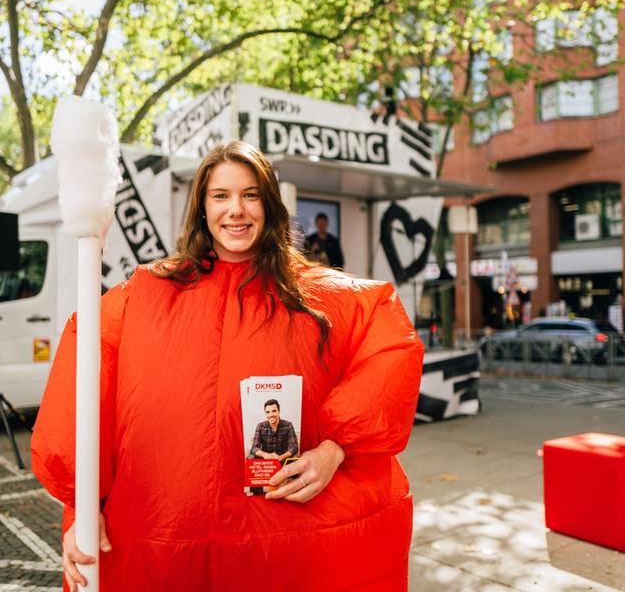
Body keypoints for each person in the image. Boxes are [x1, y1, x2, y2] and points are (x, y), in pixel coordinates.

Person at [31, 141, 424, 591]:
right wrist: (81, 506)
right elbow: (83, 392)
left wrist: (337, 449)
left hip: (284, 548)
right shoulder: (143, 297)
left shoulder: (325, 298)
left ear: (270, 204)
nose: (235, 210)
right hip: (167, 543)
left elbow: (390, 346)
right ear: (201, 208)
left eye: (250, 194)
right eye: (220, 196)